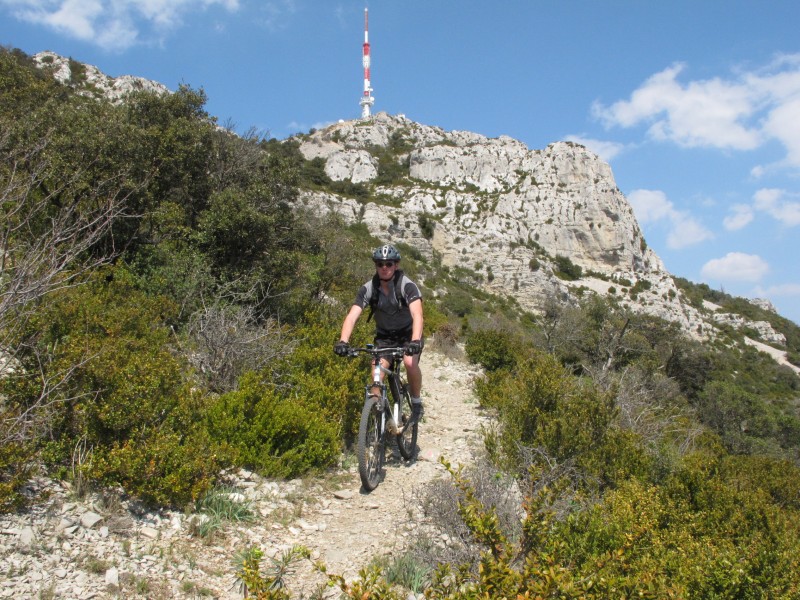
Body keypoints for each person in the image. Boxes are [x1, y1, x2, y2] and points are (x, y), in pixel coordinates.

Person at [334, 244, 425, 423]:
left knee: (409, 362)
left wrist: (415, 341)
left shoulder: (407, 286)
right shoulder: (369, 288)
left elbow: (417, 315)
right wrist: (343, 341)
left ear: (396, 265)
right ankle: (378, 421)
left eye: (389, 264)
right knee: (376, 374)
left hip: (408, 335)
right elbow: (352, 316)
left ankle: (416, 402)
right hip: (385, 337)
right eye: (380, 264)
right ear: (375, 265)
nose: (384, 268)